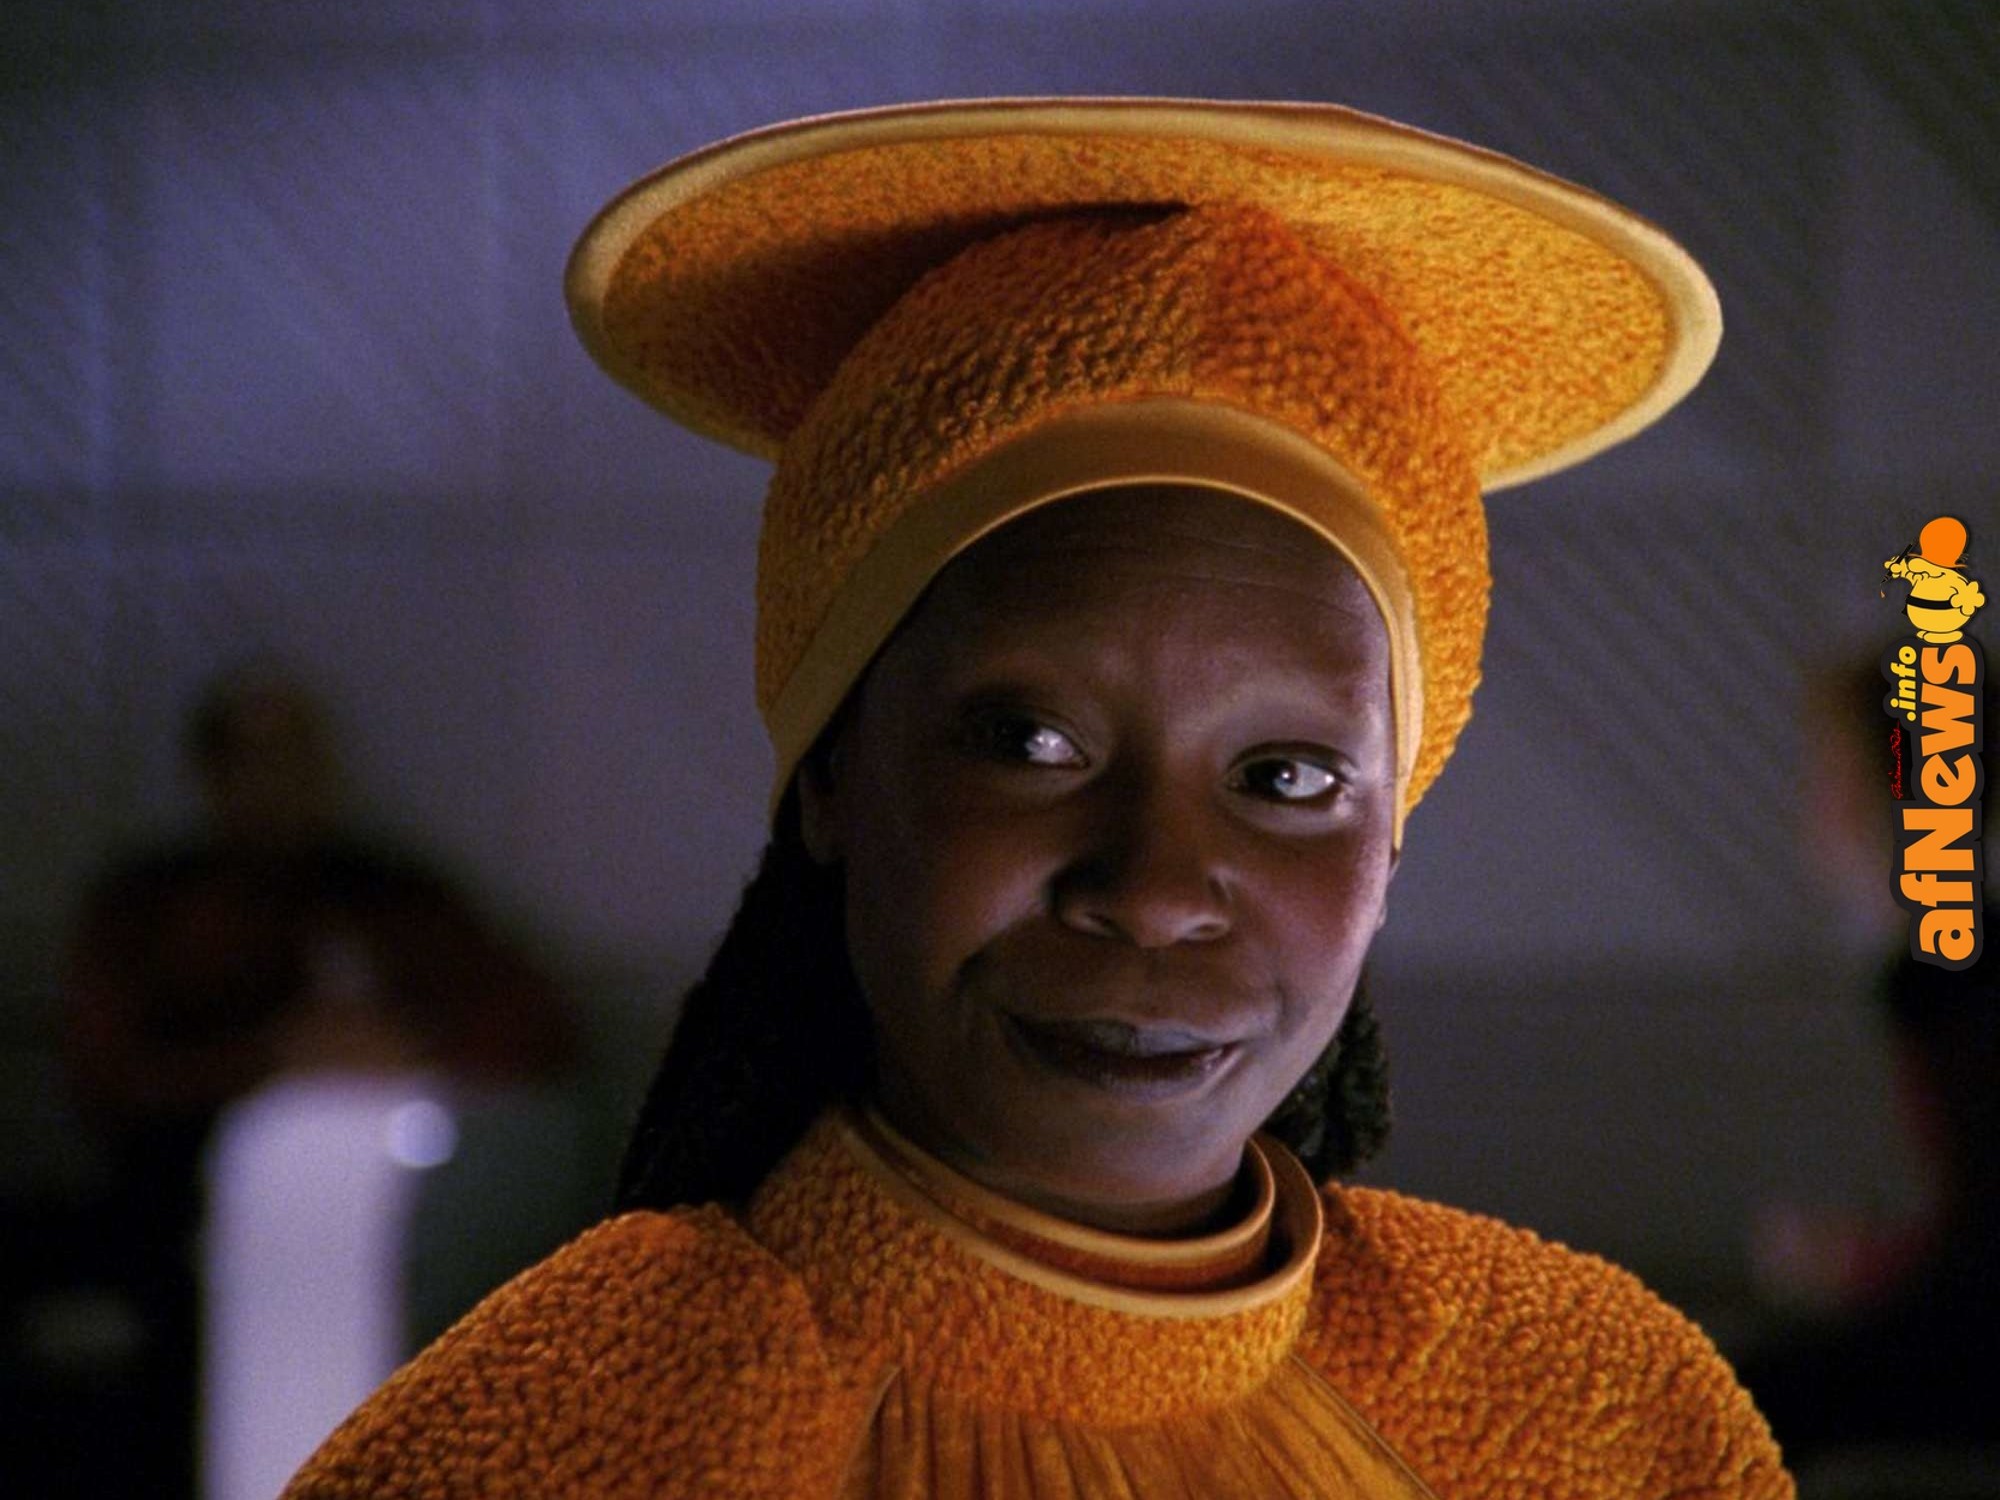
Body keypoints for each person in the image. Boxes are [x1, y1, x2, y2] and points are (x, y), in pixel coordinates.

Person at [285, 99, 1791, 1497]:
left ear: (1392, 838)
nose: (1153, 889)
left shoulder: (1606, 1417)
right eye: (1028, 743)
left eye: (1286, 779)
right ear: (830, 774)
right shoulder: (564, 1447)